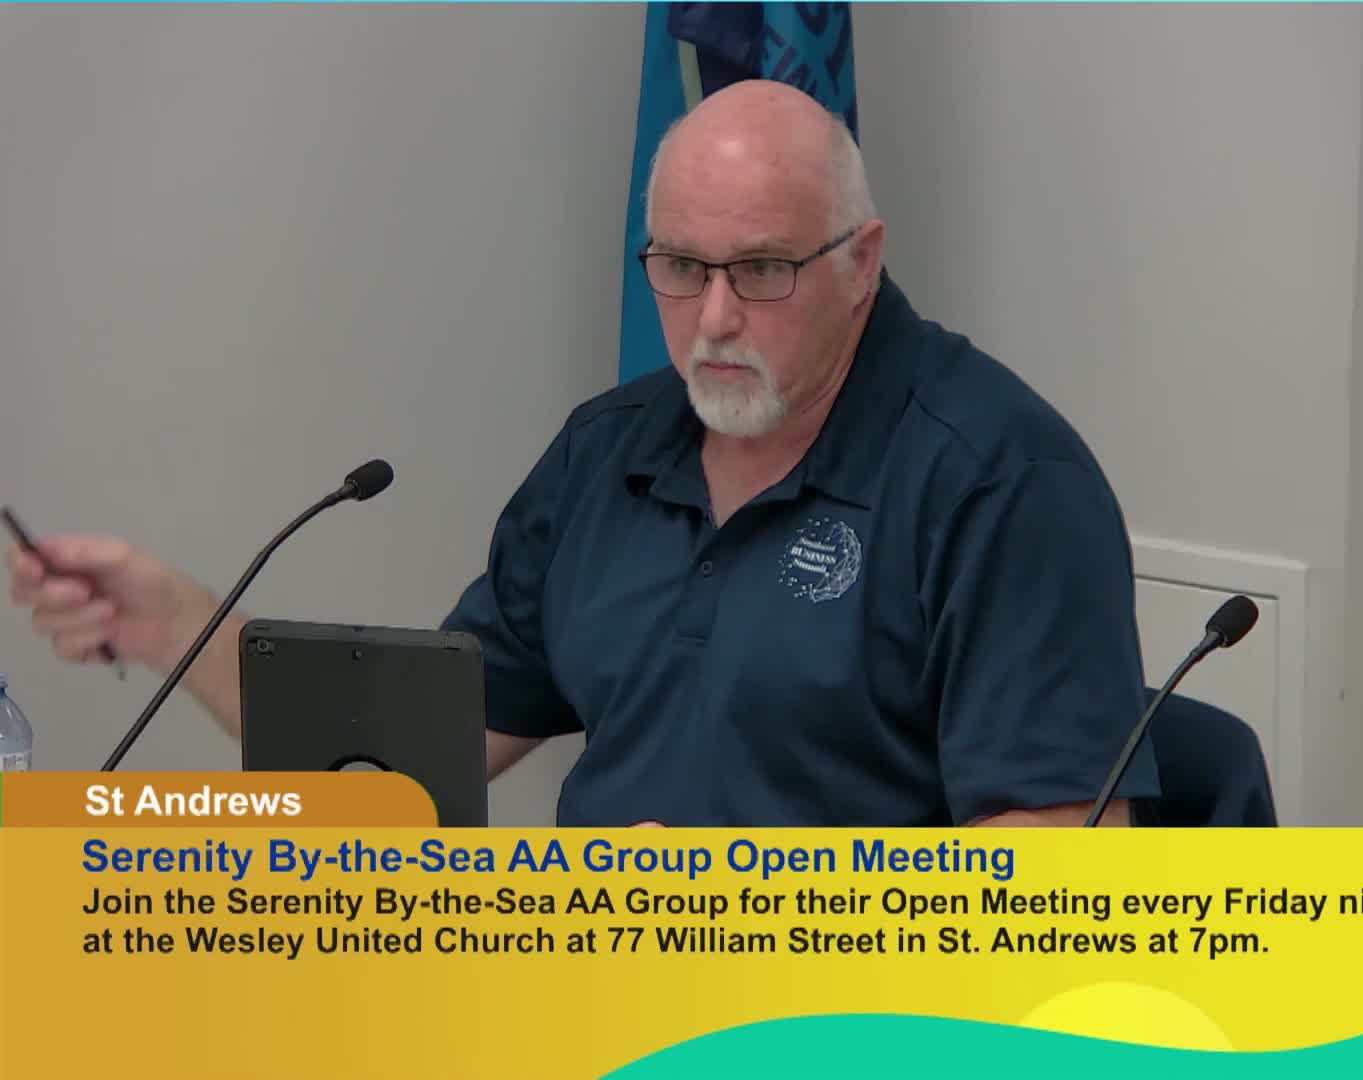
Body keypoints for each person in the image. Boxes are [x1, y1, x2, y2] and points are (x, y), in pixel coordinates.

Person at [4, 80, 1159, 828]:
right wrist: (173, 622)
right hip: (586, 1002)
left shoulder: (1001, 479)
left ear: (862, 261)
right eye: (679, 266)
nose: (713, 319)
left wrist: (743, 913)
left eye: (762, 270)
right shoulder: (611, 451)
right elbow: (399, 765)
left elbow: (1054, 895)